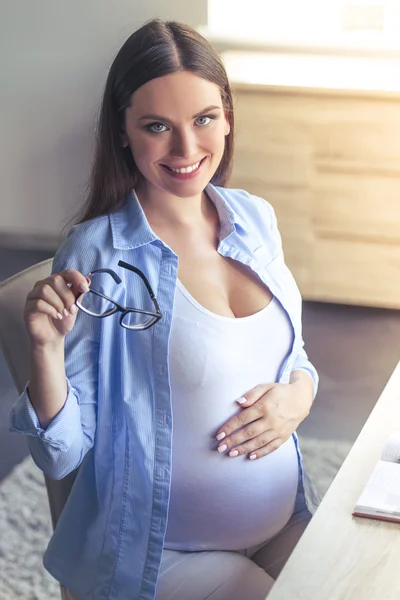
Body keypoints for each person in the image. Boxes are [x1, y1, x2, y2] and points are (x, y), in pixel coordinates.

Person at [9, 19, 319, 600]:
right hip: (162, 553)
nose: (186, 149)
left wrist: (299, 396)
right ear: (123, 131)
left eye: (203, 119)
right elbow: (61, 455)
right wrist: (45, 352)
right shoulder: (98, 254)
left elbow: (292, 355)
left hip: (281, 523)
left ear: (227, 115)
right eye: (157, 126)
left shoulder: (255, 219)